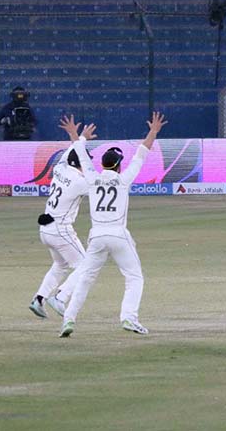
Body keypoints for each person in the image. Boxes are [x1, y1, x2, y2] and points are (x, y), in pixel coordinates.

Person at [59, 112, 167, 337]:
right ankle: (129, 317)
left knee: (86, 279)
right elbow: (141, 153)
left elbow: (80, 153)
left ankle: (68, 320)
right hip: (118, 235)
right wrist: (153, 131)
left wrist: (75, 134)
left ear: (104, 165)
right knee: (134, 277)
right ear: (118, 166)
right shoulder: (124, 179)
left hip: (96, 236)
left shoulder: (91, 177)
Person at [28, 115, 93, 319]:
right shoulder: (80, 182)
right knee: (86, 265)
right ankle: (61, 297)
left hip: (45, 229)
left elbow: (69, 153)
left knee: (60, 265)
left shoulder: (60, 168)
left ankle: (39, 300)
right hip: (60, 230)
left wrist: (80, 137)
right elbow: (97, 183)